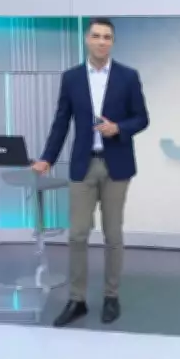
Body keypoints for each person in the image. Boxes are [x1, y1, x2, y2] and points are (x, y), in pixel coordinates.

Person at [32, 17, 150, 325]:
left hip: (117, 165)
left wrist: (118, 128)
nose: (101, 41)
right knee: (77, 234)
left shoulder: (128, 76)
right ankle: (77, 300)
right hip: (83, 164)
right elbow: (61, 122)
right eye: (96, 35)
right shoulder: (71, 78)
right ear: (87, 39)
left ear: (113, 42)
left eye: (107, 37)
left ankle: (111, 296)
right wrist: (47, 158)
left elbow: (142, 118)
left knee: (113, 235)